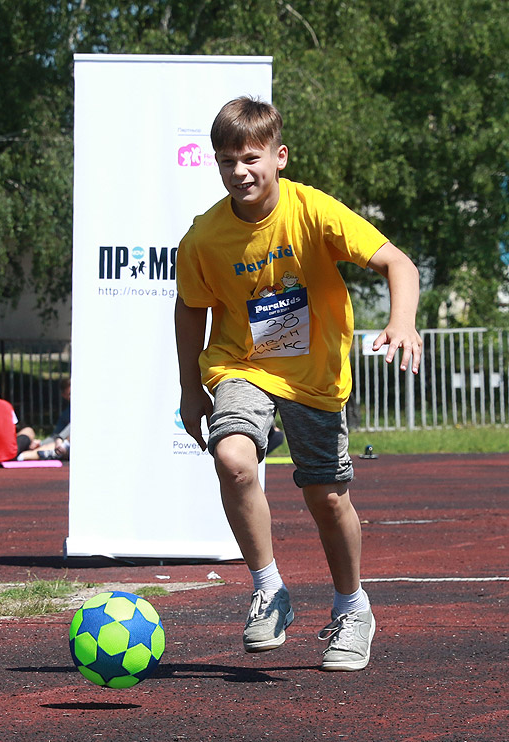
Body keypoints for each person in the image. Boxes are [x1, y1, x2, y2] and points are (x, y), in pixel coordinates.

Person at [174, 97, 422, 672]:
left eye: (251, 157)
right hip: (242, 365)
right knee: (233, 458)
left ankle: (352, 608)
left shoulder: (314, 213)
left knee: (326, 498)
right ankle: (269, 590)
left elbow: (399, 264)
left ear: (278, 157)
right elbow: (189, 310)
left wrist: (401, 320)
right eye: (227, 161)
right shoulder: (204, 237)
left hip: (315, 377)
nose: (240, 171)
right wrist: (190, 389)